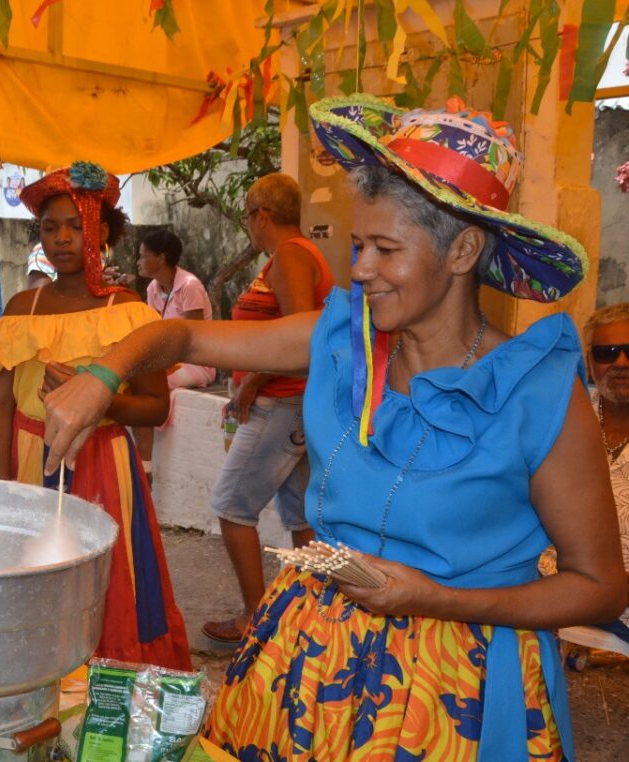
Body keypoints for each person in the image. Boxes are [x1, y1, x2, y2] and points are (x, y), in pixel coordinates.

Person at [42, 97, 626, 759]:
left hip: (457, 684)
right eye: (357, 245)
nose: (362, 269)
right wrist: (104, 376)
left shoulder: (537, 391)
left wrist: (437, 598)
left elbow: (600, 584)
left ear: (462, 250)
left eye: (385, 249)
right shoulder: (344, 341)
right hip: (312, 660)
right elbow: (181, 334)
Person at [0, 162, 192, 670]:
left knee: (109, 583)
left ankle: (109, 695)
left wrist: (98, 399)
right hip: (32, 463)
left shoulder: (129, 310)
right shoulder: (21, 308)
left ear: (106, 233)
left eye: (78, 225)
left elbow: (156, 407)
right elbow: (1, 405)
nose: (62, 238)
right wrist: (0, 493)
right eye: (50, 227)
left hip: (105, 467)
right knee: (33, 580)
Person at [201, 172, 333, 645]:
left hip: (284, 401)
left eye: (247, 217)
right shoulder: (291, 255)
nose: (248, 228)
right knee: (301, 516)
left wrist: (252, 380)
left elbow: (299, 337)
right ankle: (311, 616)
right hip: (293, 402)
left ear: (262, 215)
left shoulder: (292, 255)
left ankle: (253, 616)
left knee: (232, 506)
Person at [538, 303, 629, 649]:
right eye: (607, 352)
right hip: (547, 598)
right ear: (590, 362)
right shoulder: (565, 413)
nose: (620, 363)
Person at [132, 229, 216, 478]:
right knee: (139, 383)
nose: (138, 261)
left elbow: (195, 337)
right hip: (169, 362)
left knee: (148, 387)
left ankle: (145, 466)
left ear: (160, 258)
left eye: (142, 256)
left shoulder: (189, 286)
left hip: (198, 363)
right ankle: (144, 463)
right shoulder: (152, 289)